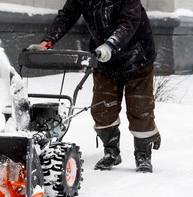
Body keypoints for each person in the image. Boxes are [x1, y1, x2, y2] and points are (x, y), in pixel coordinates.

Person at [29, 0, 161, 173]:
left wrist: (111, 45)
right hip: (104, 61)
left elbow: (130, 21)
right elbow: (66, 16)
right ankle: (111, 152)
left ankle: (143, 155)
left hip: (138, 57)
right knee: (102, 108)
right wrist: (47, 41)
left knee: (140, 108)